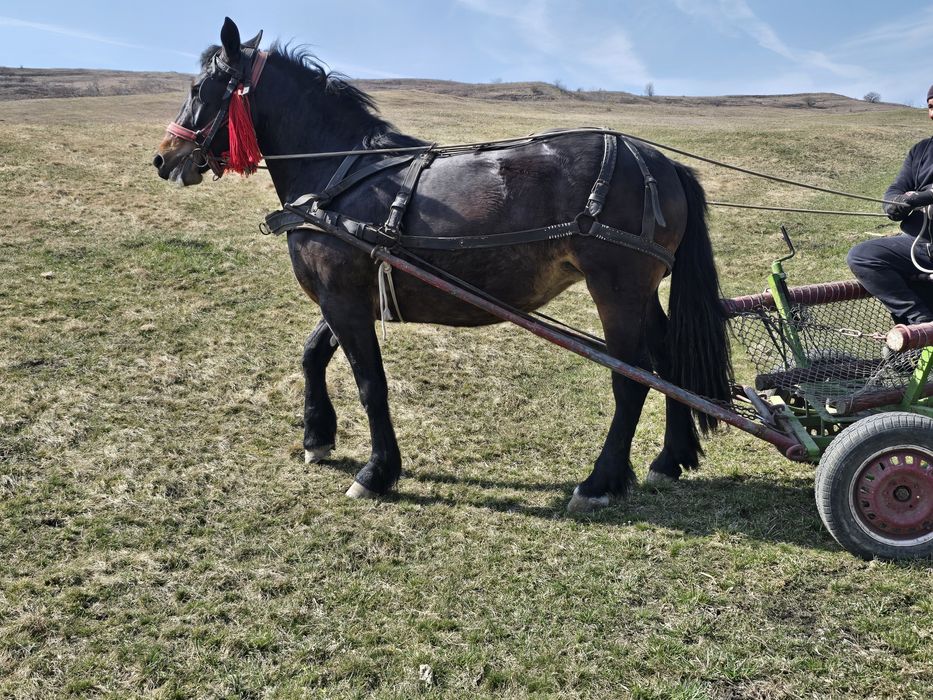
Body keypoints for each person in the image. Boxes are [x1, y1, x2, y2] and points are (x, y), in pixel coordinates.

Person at [847, 84, 933, 326]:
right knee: (863, 256)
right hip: (921, 246)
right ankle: (921, 323)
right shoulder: (921, 150)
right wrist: (895, 203)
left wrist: (919, 197)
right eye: (930, 107)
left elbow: (917, 194)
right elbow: (894, 191)